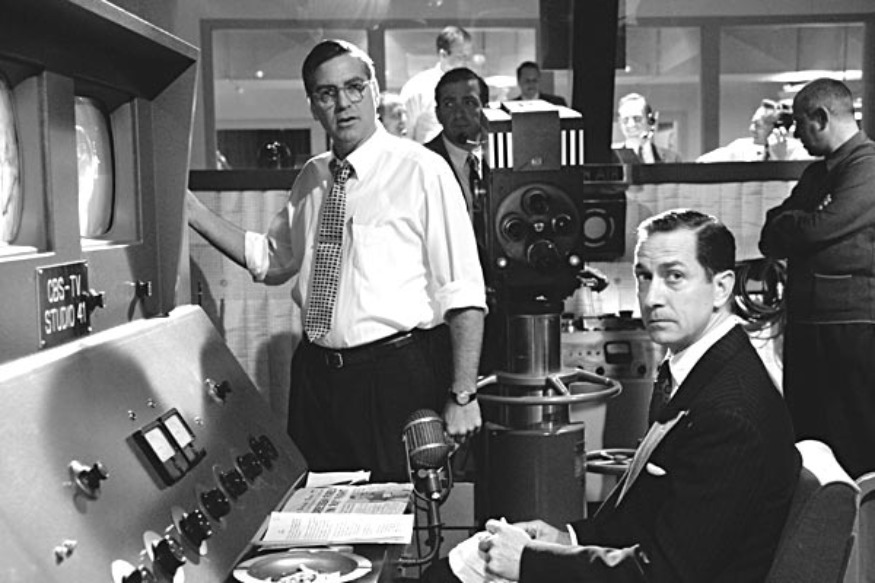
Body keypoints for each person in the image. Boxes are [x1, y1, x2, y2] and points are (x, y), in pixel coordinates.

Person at [426, 209, 800, 582]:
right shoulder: (702, 369)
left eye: (674, 277)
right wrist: (564, 539)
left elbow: (667, 574)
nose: (652, 297)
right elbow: (647, 518)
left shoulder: (730, 412)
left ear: (721, 288)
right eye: (644, 276)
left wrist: (529, 562)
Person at [186, 39, 486, 481]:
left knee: (395, 512)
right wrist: (193, 213)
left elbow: (463, 293)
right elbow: (271, 258)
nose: (343, 103)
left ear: (375, 92)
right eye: (327, 93)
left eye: (354, 87)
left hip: (392, 379)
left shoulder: (422, 170)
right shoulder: (313, 175)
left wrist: (463, 395)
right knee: (315, 507)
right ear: (313, 105)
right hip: (316, 379)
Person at [759, 77, 875, 479]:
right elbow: (771, 234)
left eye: (799, 123)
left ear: (821, 118)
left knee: (855, 443)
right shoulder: (817, 175)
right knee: (807, 442)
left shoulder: (868, 167)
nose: (795, 134)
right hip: (809, 326)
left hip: (850, 330)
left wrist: (802, 224)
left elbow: (814, 230)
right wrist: (804, 225)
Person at [425, 67, 489, 215]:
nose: (459, 113)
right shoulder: (422, 164)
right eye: (449, 104)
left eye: (469, 103)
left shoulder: (504, 157)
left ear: (486, 109)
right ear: (438, 114)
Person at [400, 25, 473, 144]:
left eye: (468, 57)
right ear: (443, 55)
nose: (466, 63)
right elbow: (404, 137)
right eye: (461, 57)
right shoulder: (418, 87)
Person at [697, 98, 812, 162]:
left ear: (777, 129)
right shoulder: (741, 146)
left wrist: (779, 159)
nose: (751, 129)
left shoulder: (799, 153)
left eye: (758, 125)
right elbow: (703, 161)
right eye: (752, 123)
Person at [612, 92, 681, 163]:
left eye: (637, 118)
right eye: (625, 120)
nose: (631, 124)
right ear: (620, 122)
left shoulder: (672, 158)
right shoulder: (611, 157)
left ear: (649, 120)